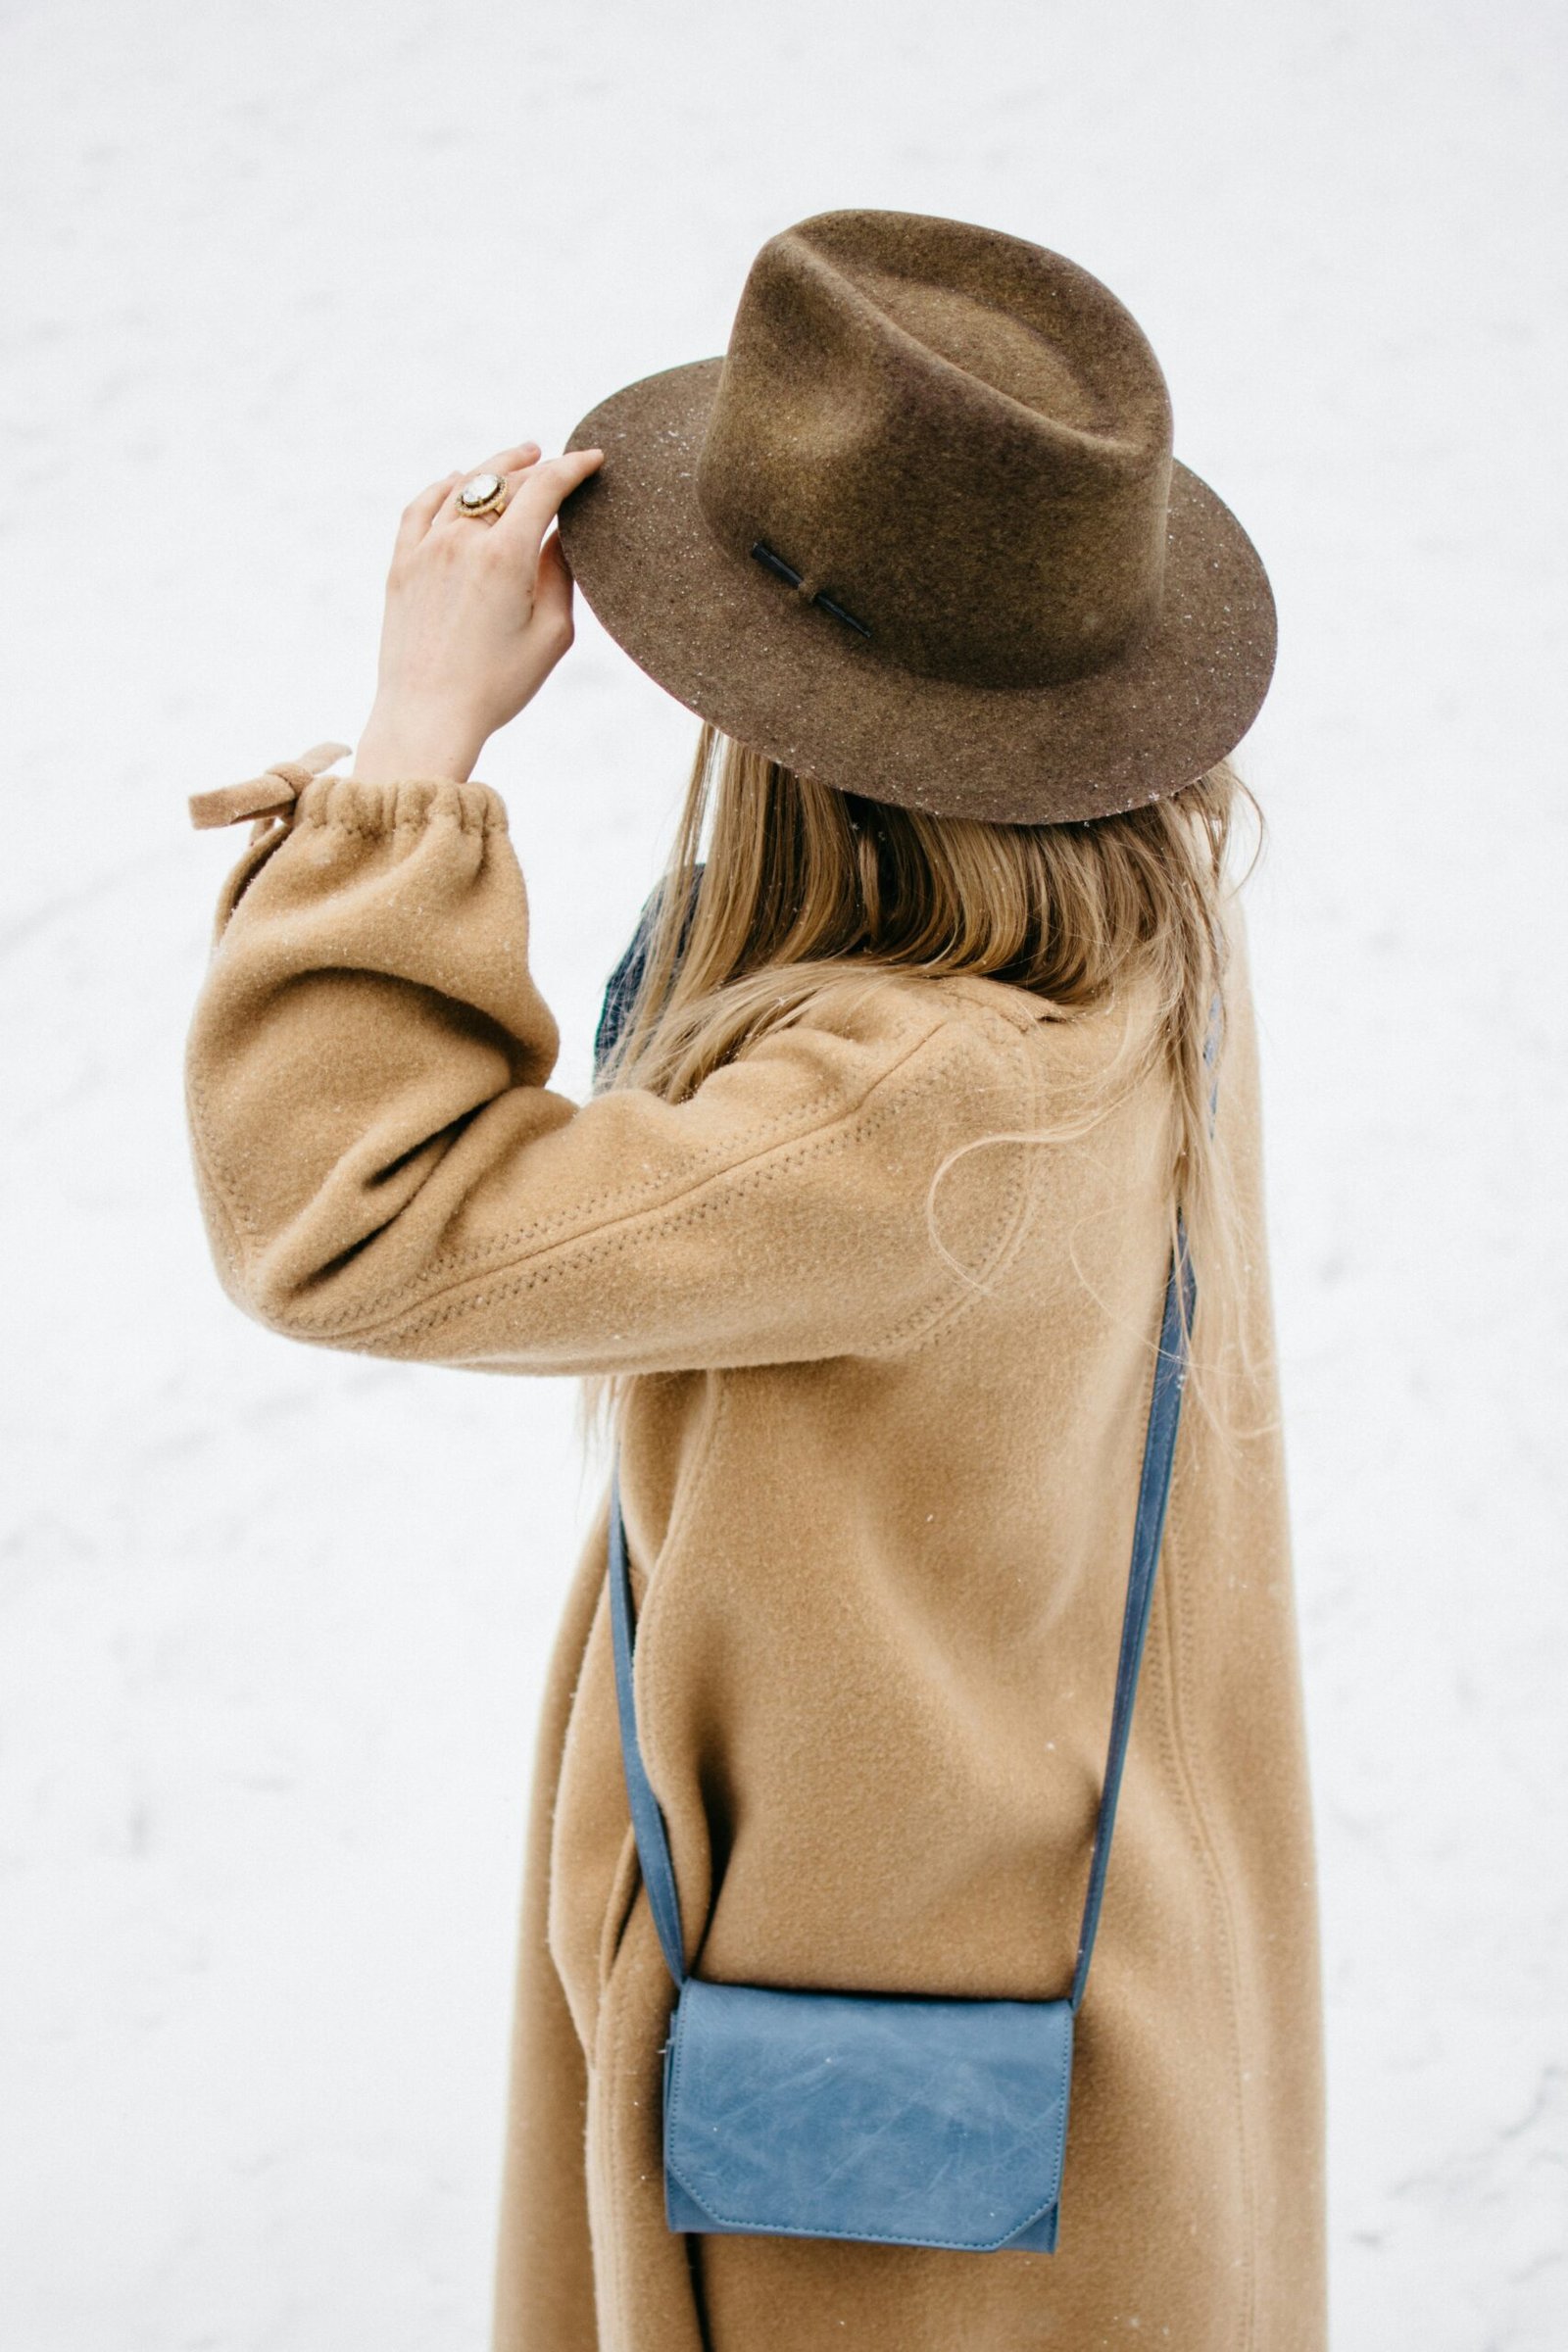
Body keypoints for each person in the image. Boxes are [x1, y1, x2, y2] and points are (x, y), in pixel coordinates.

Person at [183, 210, 1326, 2351]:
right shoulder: (1129, 948)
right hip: (1084, 1930)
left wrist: (412, 749)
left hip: (861, 2054)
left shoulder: (899, 1108)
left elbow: (339, 1216)